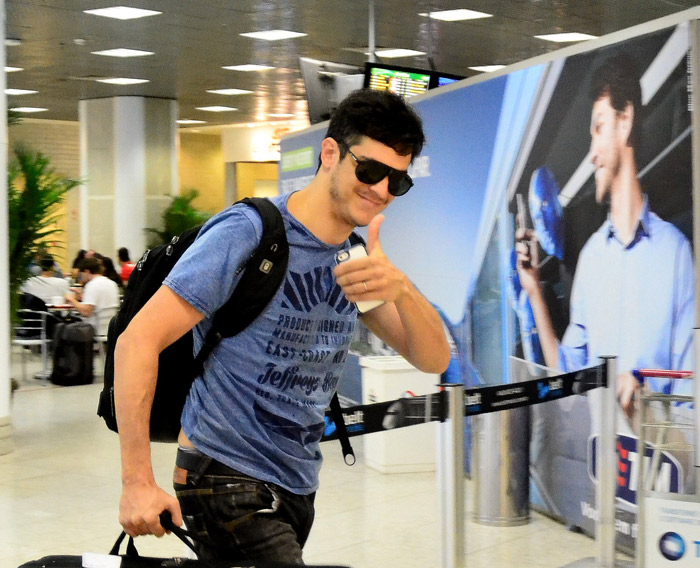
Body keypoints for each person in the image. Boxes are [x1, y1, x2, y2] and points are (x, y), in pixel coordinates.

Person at [114, 89, 450, 564]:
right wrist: (137, 482)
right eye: (370, 171)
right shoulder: (249, 233)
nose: (381, 191)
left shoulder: (354, 259)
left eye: (398, 182)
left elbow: (434, 359)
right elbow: (138, 341)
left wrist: (403, 290)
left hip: (296, 483)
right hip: (224, 476)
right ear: (330, 153)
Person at [516, 52, 694, 420]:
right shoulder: (592, 260)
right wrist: (534, 290)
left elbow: (690, 385)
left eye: (598, 127)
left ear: (625, 120)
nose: (593, 153)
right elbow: (567, 383)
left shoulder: (676, 252)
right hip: (596, 466)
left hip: (654, 467)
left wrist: (646, 398)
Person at [65, 257, 120, 335]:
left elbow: (86, 312)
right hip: (110, 328)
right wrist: (81, 297)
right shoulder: (112, 283)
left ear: (87, 271)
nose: (81, 277)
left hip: (94, 329)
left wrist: (72, 300)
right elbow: (99, 302)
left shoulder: (92, 285)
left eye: (81, 274)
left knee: (66, 327)